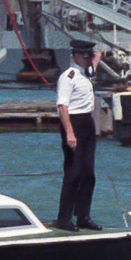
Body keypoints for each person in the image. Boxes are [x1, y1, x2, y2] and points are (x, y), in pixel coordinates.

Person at [55, 39, 103, 232]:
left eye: (89, 55)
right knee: (73, 173)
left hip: (87, 123)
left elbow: (94, 65)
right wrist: (69, 133)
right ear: (75, 56)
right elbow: (62, 106)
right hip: (73, 123)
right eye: (85, 55)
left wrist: (96, 57)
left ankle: (83, 216)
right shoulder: (69, 76)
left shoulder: (86, 73)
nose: (88, 58)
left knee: (88, 174)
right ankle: (64, 219)